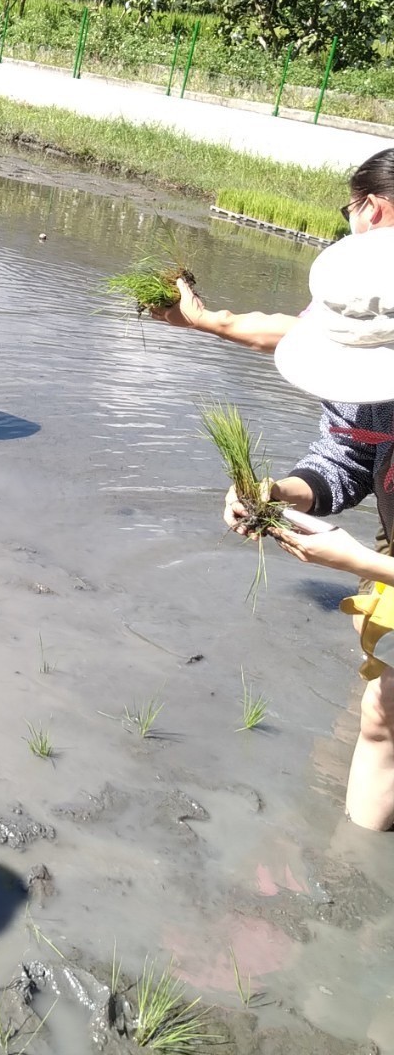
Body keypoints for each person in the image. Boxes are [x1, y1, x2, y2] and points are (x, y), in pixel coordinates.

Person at [224, 228, 394, 831]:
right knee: (381, 714)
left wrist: (364, 564)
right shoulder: (372, 383)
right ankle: (350, 869)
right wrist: (279, 492)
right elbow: (346, 460)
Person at [152, 150, 394, 352]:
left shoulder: (356, 274)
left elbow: (306, 334)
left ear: (373, 208)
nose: (348, 220)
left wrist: (204, 320)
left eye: (349, 210)